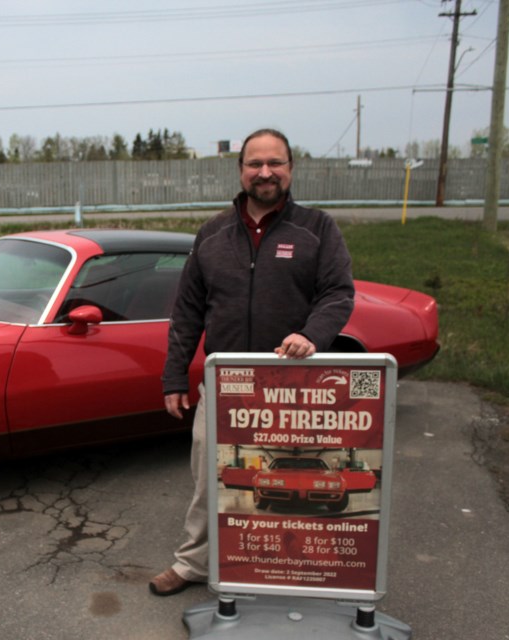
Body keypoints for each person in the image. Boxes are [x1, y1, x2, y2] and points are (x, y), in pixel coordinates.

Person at [149, 128, 355, 596]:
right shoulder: (213, 233)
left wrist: (311, 335)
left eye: (275, 163)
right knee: (209, 475)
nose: (265, 172)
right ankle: (194, 562)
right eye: (255, 163)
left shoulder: (317, 228)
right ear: (240, 170)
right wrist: (174, 376)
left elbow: (338, 294)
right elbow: (187, 311)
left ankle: (287, 566)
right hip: (226, 386)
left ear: (290, 169)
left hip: (293, 389)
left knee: (294, 473)